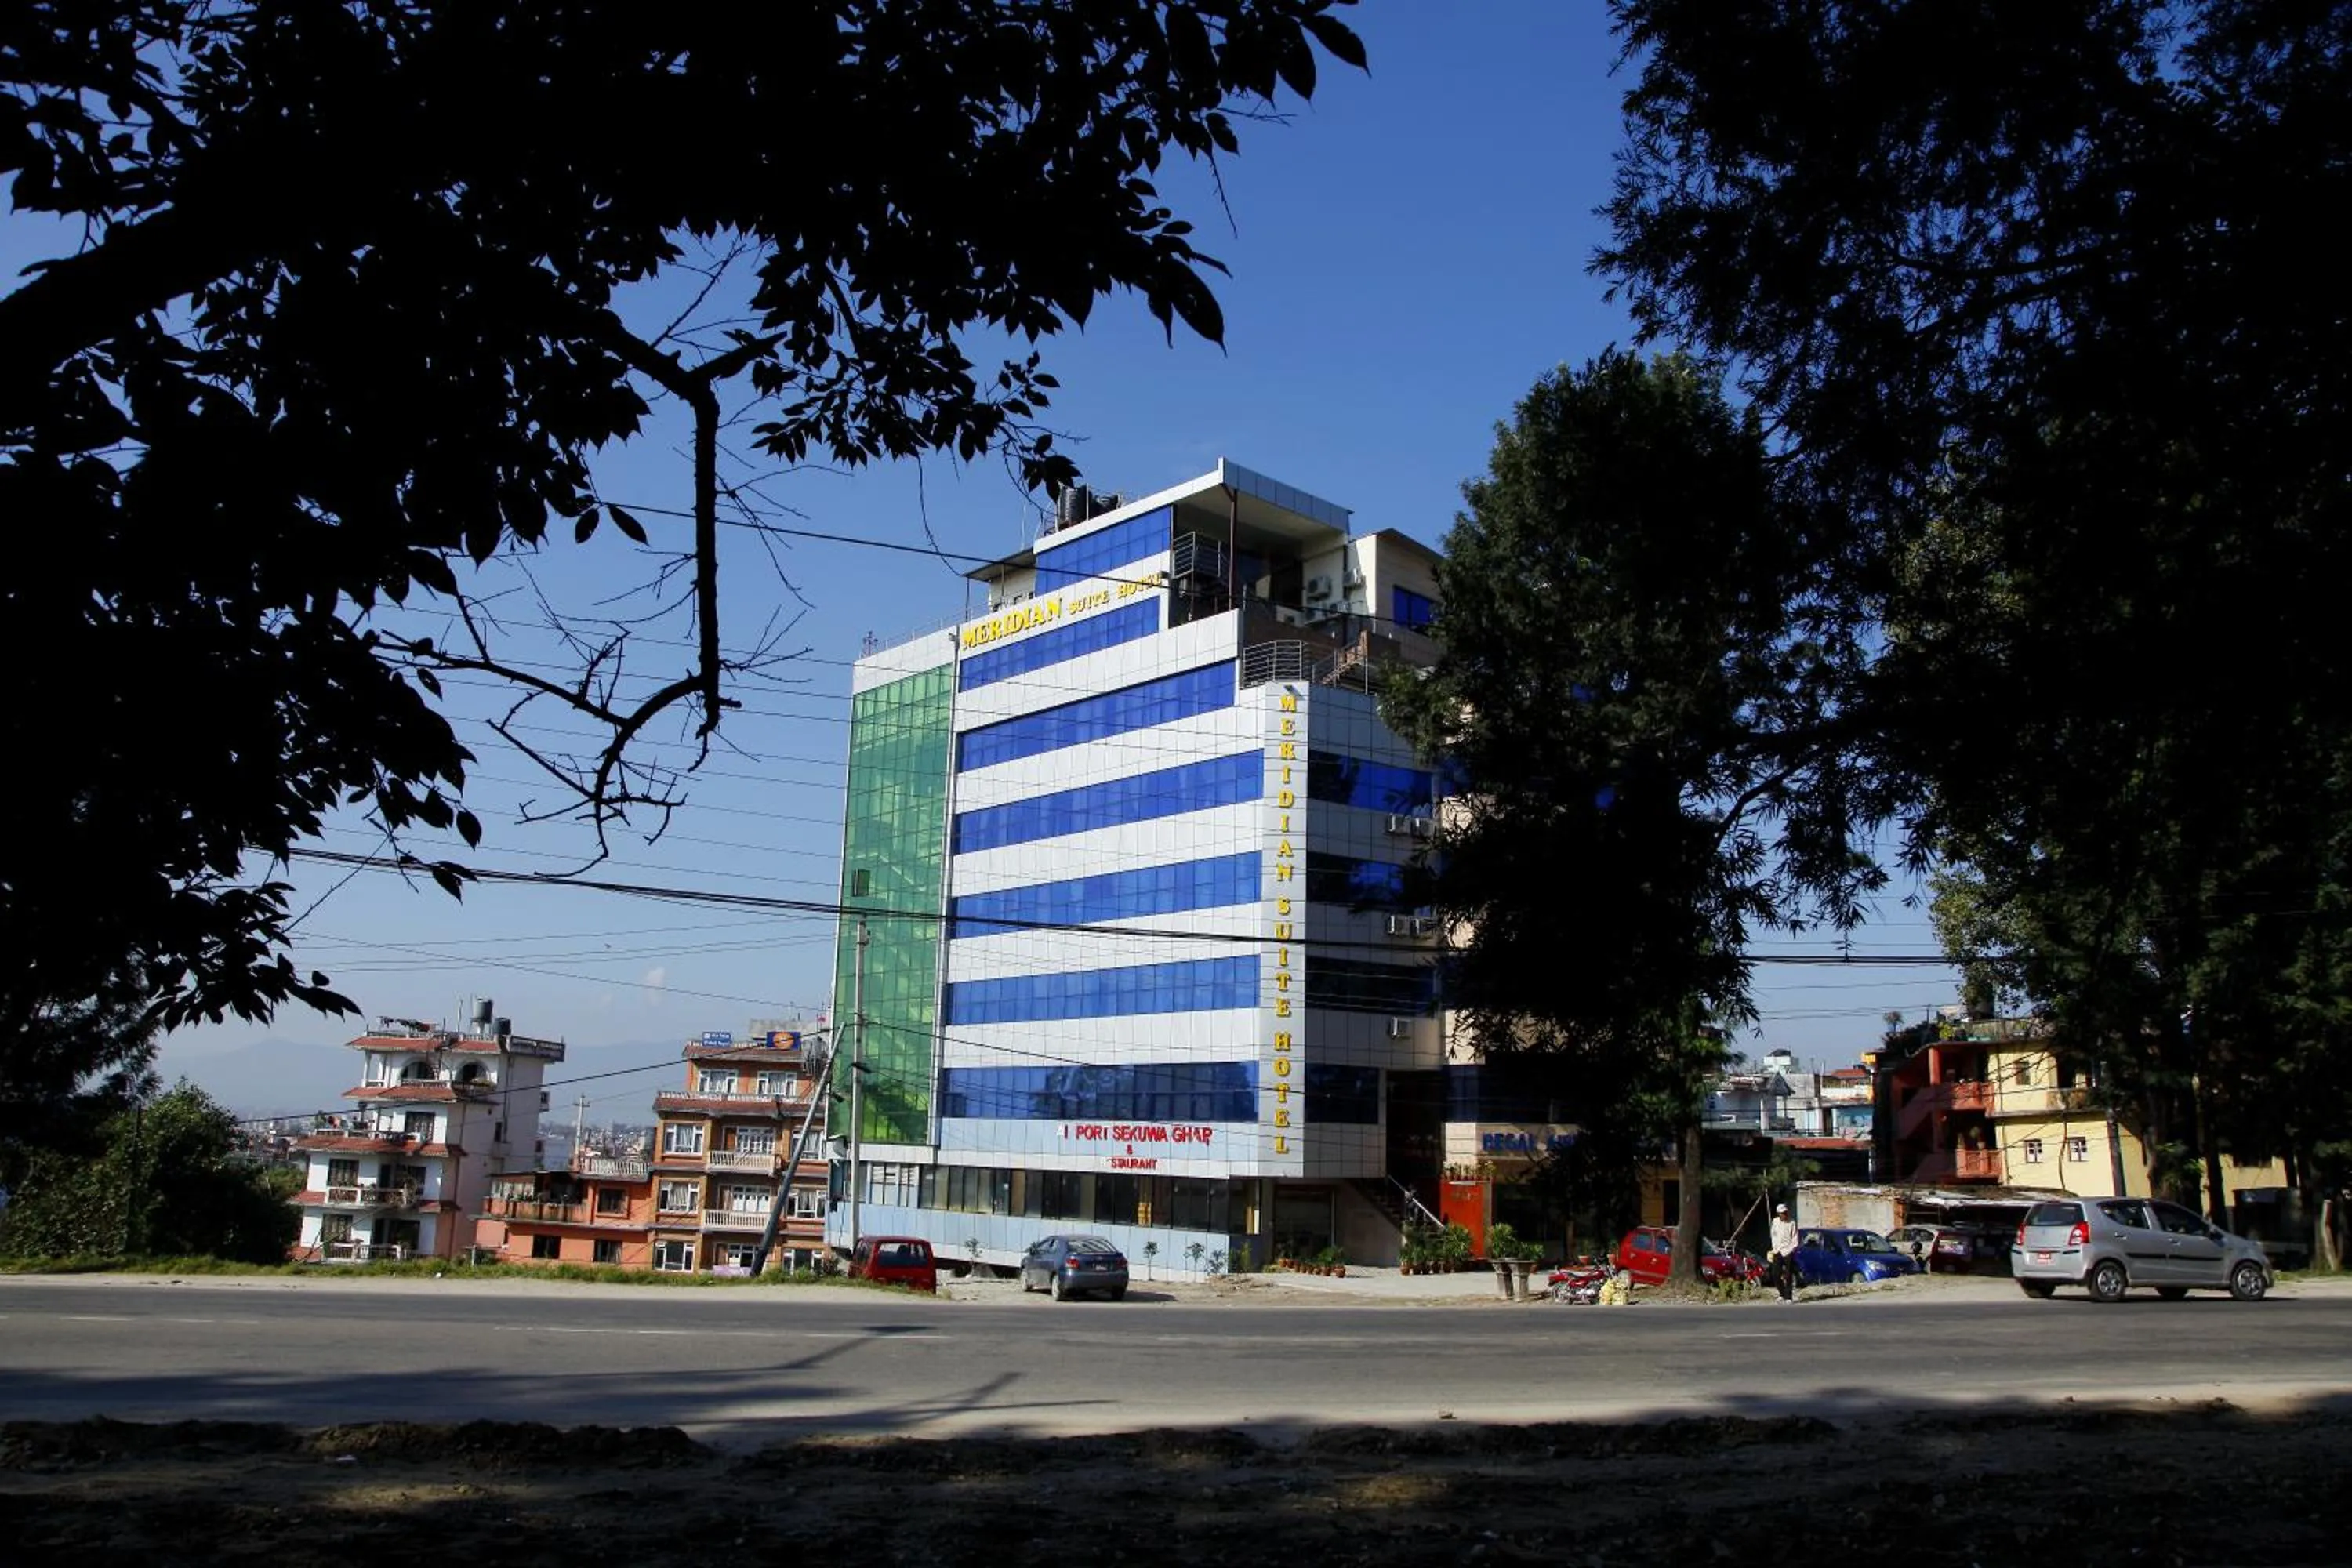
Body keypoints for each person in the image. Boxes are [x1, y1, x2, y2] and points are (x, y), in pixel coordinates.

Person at [1769, 1203, 1800, 1301]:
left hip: (1787, 1251)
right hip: (1778, 1251)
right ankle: (1782, 1293)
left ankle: (1788, 1297)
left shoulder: (1792, 1222)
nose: (1784, 1215)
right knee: (1775, 1274)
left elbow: (1795, 1237)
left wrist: (1792, 1248)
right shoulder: (1775, 1221)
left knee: (1788, 1274)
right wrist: (1774, 1248)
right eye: (1782, 1213)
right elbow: (1773, 1235)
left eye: (1785, 1213)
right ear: (1779, 1214)